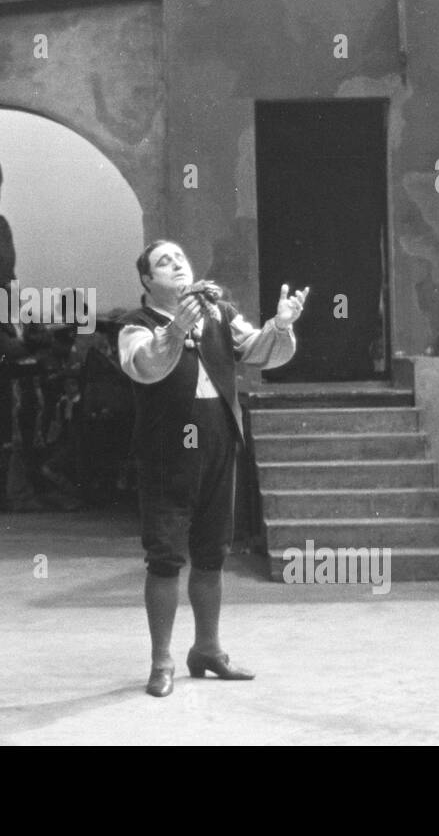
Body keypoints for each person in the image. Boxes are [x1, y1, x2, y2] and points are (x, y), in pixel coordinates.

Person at [118, 240, 308, 697]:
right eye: (164, 262)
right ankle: (161, 661)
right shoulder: (136, 325)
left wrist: (280, 326)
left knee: (212, 552)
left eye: (181, 257)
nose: (177, 264)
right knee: (164, 557)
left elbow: (260, 351)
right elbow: (145, 366)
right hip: (167, 452)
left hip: (220, 442)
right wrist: (175, 331)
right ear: (147, 280)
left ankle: (207, 649)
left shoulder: (218, 312)